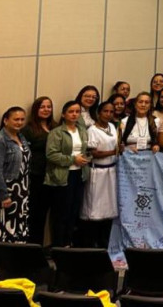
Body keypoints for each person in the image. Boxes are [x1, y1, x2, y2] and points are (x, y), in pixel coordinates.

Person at [0, 107, 30, 249]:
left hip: (20, 190)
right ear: (5, 120)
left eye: (22, 119)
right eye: (16, 119)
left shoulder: (21, 137)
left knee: (16, 226)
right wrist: (3, 195)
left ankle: (13, 261)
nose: (20, 122)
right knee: (0, 228)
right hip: (3, 190)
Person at [45, 101, 90, 247]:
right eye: (71, 111)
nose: (74, 114)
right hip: (63, 176)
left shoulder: (82, 130)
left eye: (77, 112)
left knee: (74, 211)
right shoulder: (57, 132)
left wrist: (85, 158)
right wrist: (72, 159)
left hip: (79, 174)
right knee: (61, 213)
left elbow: (84, 150)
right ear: (64, 114)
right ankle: (58, 245)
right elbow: (51, 154)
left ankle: (68, 243)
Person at [81, 101, 119, 248]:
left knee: (108, 208)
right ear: (98, 113)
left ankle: (104, 242)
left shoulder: (112, 127)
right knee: (94, 208)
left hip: (111, 171)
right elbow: (93, 153)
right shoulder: (92, 130)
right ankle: (90, 243)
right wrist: (114, 152)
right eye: (105, 111)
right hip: (97, 172)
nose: (108, 114)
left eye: (111, 112)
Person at [22, 97, 56, 245]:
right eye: (42, 107)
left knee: (43, 214)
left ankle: (40, 246)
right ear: (36, 109)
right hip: (35, 175)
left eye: (49, 107)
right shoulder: (28, 129)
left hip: (51, 176)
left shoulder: (55, 127)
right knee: (33, 213)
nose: (46, 110)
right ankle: (32, 247)